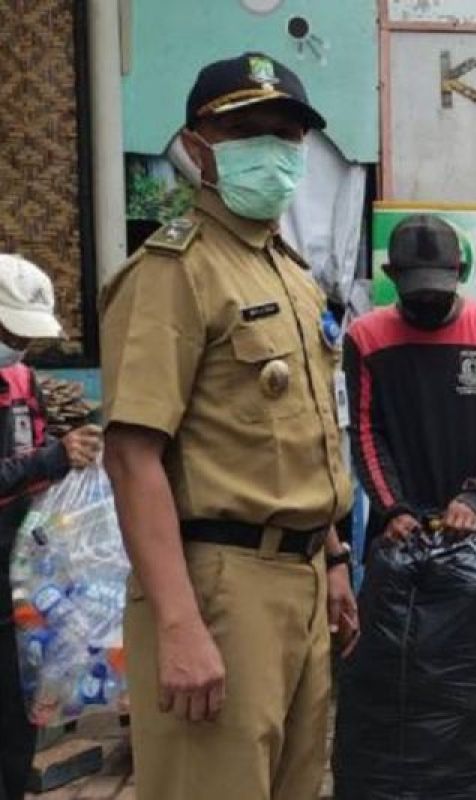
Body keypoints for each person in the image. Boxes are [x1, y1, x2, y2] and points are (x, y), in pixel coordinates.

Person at [100, 53, 357, 800]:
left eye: (285, 133)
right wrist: (179, 626)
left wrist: (335, 559)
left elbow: (303, 433)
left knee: (296, 786)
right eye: (246, 129)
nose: (272, 148)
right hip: (217, 586)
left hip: (302, 580)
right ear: (198, 145)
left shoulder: (294, 276)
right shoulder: (173, 273)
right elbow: (131, 457)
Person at [342, 214, 476, 799]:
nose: (429, 301)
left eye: (440, 285)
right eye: (416, 289)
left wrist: (475, 497)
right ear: (390, 277)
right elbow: (366, 431)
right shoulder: (368, 339)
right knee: (402, 672)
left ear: (461, 273)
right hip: (402, 538)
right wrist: (392, 507)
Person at [0, 255, 101, 800]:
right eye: (9, 329)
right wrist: (52, 461)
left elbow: (36, 455)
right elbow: (38, 462)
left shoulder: (22, 380)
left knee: (18, 727)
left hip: (15, 579)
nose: (20, 342)